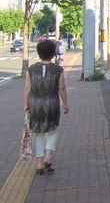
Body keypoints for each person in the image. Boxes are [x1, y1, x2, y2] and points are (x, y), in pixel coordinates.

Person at [23, 39, 69, 175]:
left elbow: (27, 89)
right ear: (53, 53)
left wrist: (25, 104)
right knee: (52, 130)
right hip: (52, 104)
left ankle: (39, 164)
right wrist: (65, 104)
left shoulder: (31, 70)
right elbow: (62, 88)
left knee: (38, 133)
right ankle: (48, 157)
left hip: (35, 105)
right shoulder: (58, 70)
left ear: (39, 53)